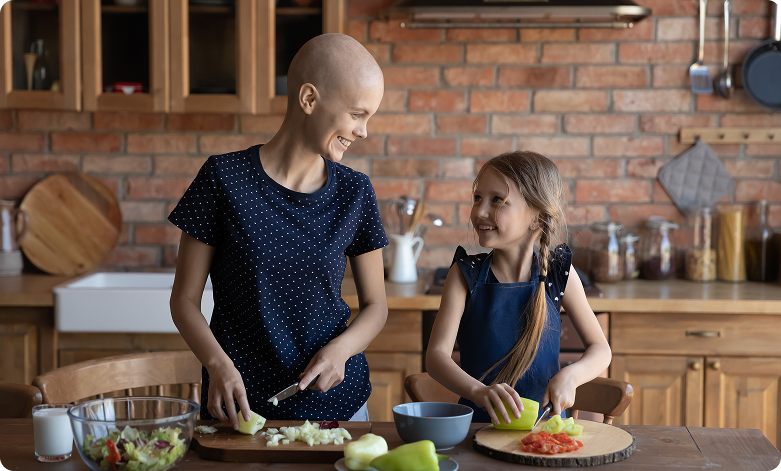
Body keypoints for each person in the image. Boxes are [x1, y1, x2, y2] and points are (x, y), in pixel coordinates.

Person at [168, 33, 388, 430]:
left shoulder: (356, 191)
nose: (363, 131)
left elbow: (377, 306)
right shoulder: (223, 179)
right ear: (308, 99)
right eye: (357, 114)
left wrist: (342, 351)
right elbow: (184, 300)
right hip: (239, 408)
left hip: (338, 405)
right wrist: (218, 365)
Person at [426, 151, 612, 425]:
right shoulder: (465, 274)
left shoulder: (559, 272)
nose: (480, 211)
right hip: (477, 430)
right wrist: (478, 391)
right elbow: (436, 357)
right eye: (478, 198)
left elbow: (601, 350)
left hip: (543, 433)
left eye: (497, 201)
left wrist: (571, 375)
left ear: (537, 217)